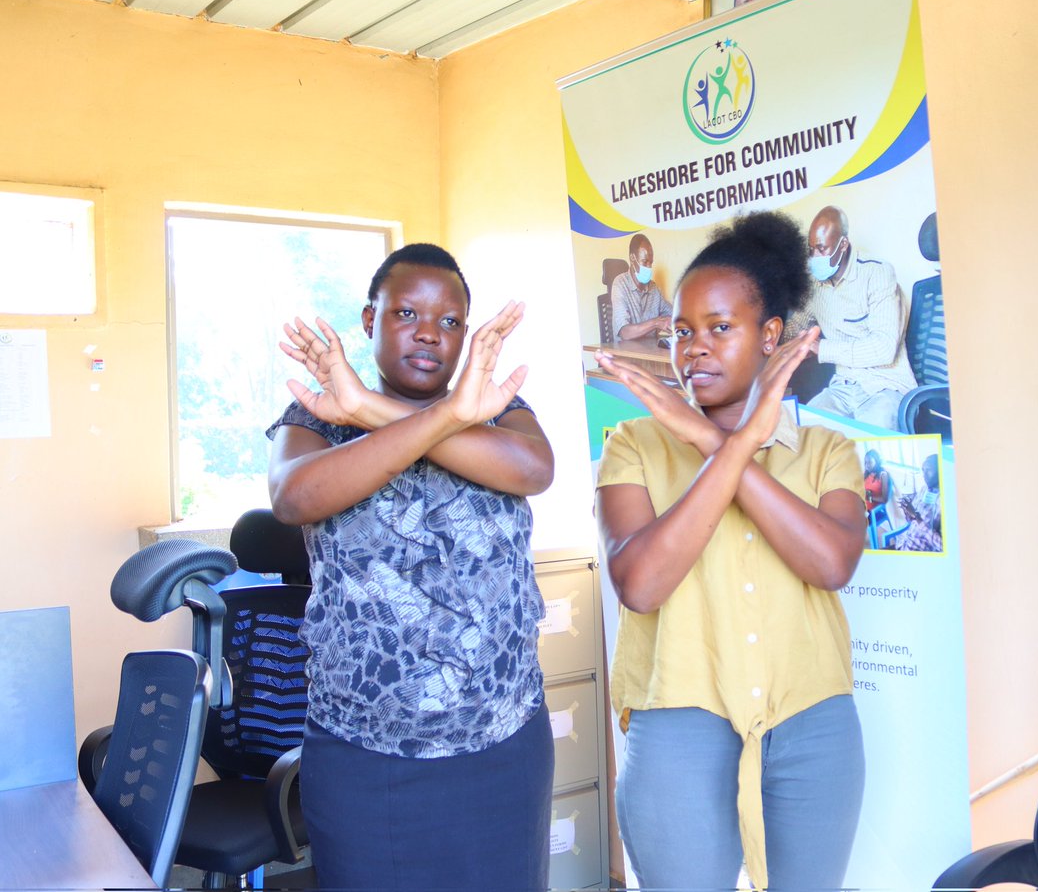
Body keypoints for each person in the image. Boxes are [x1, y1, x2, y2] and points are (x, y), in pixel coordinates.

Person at [266, 243, 555, 891]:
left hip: (503, 743)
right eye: (406, 313)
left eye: (450, 321)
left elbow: (533, 468)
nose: (429, 332)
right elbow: (294, 497)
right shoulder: (317, 415)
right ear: (369, 319)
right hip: (368, 758)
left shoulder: (496, 408)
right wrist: (435, 418)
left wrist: (380, 411)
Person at [594, 211, 867, 891]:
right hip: (677, 715)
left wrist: (717, 444)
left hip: (811, 717)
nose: (695, 349)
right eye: (683, 331)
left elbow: (831, 563)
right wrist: (738, 446)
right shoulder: (632, 445)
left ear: (770, 335)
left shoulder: (828, 451)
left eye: (720, 328)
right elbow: (641, 584)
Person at [787, 205, 916, 430]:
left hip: (885, 386)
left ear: (843, 244)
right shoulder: (815, 285)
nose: (815, 257)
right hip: (843, 388)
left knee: (870, 436)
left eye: (822, 249)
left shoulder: (877, 274)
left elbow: (884, 349)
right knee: (805, 429)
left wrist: (821, 348)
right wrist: (767, 337)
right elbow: (796, 326)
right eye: (811, 250)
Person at [612, 233, 672, 340]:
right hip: (627, 349)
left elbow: (673, 313)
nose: (649, 267)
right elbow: (624, 332)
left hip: (650, 349)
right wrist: (656, 323)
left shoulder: (654, 288)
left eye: (651, 263)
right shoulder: (620, 284)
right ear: (632, 258)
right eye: (645, 262)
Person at [894, 453, 942, 552]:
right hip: (905, 542)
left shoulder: (945, 501)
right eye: (923, 470)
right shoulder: (924, 489)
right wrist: (907, 512)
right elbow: (911, 521)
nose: (924, 475)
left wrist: (916, 517)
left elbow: (942, 546)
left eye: (928, 470)